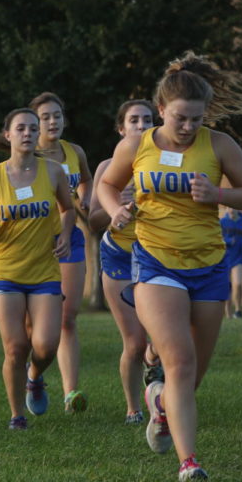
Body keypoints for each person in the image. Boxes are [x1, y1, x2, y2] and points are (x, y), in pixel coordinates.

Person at [98, 52, 242, 481]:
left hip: (208, 266)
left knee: (190, 379)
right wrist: (115, 210)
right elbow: (107, 183)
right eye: (180, 119)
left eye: (196, 119)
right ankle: (190, 463)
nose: (188, 127)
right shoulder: (137, 144)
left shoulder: (220, 144)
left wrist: (218, 195)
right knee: (181, 362)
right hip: (155, 261)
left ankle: (160, 406)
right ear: (160, 111)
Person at [0, 108, 75, 430]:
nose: (28, 133)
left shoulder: (53, 172)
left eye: (33, 128)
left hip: (44, 270)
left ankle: (35, 377)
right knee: (15, 346)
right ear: (8, 134)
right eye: (21, 128)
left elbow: (68, 209)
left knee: (46, 345)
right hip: (5, 271)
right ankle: (17, 415)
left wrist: (66, 233)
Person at [89, 99, 161, 424]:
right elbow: (92, 220)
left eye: (147, 119)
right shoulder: (107, 167)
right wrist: (118, 206)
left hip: (157, 253)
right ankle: (134, 407)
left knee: (161, 337)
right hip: (118, 254)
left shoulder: (164, 162)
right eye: (134, 120)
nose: (141, 126)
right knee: (133, 341)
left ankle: (152, 360)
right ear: (121, 128)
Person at [29, 92, 93, 413]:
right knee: (35, 327)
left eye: (57, 115)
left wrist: (86, 198)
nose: (53, 122)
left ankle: (71, 393)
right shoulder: (29, 155)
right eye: (45, 117)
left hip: (70, 239)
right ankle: (35, 375)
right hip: (35, 243)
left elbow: (85, 180)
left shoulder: (74, 151)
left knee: (67, 319)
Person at [220, 206, 242, 319]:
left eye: (234, 208)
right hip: (225, 257)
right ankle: (228, 313)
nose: (231, 210)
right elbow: (216, 237)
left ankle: (238, 310)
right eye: (229, 208)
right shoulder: (222, 222)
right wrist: (229, 241)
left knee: (238, 283)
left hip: (239, 257)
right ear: (225, 209)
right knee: (227, 285)